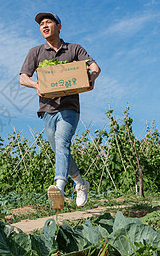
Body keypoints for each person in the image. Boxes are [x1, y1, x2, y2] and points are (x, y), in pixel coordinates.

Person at [19, 12, 101, 209]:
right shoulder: (35, 52)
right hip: (47, 109)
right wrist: (36, 85)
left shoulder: (74, 49)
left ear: (59, 26)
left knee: (62, 142)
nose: (44, 26)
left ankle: (60, 188)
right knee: (59, 149)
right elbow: (23, 77)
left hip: (69, 107)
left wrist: (92, 77)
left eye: (48, 22)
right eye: (41, 24)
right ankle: (81, 183)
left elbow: (95, 67)